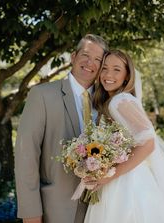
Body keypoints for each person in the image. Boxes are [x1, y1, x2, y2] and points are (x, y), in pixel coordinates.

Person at [84, 50, 164, 223]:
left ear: (127, 75)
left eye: (116, 69)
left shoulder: (119, 101)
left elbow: (149, 142)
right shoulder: (119, 100)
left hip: (126, 183)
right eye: (104, 68)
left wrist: (110, 176)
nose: (108, 75)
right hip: (131, 176)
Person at [15, 34, 108, 223]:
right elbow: (26, 155)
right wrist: (30, 213)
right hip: (55, 209)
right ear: (73, 56)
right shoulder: (42, 95)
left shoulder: (108, 102)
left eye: (98, 59)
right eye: (86, 55)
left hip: (101, 208)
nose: (90, 63)